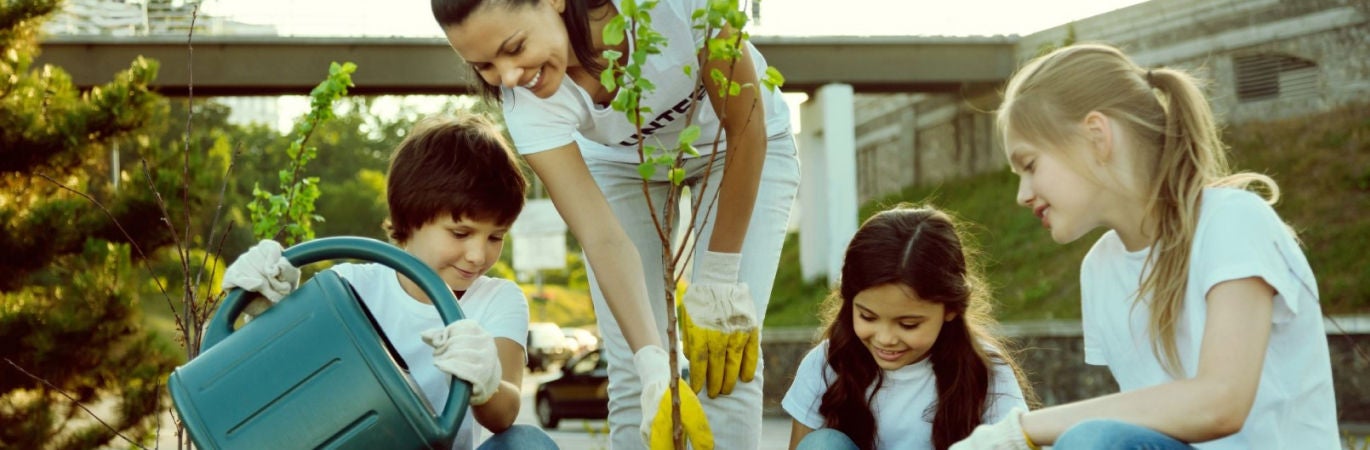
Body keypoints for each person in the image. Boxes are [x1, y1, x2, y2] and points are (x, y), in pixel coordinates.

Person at [431, 0, 800, 448]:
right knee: (631, 373)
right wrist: (650, 366)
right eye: (485, 65)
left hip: (738, 147)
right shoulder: (525, 103)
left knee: (727, 357)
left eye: (514, 47)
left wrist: (720, 282)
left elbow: (744, 128)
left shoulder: (670, 7)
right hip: (620, 166)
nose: (508, 76)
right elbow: (601, 236)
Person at [953, 43, 1338, 449]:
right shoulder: (1100, 268)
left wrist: (1021, 430)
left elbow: (1220, 403)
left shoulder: (1233, 221)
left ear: (1097, 136)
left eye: (1030, 165)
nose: (1022, 194)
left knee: (1093, 441)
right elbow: (1145, 424)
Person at [221, 114, 558, 450]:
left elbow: (505, 413)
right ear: (410, 219)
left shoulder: (496, 299)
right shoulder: (348, 287)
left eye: (495, 237)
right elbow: (284, 390)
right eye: (461, 233)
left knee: (526, 443)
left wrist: (486, 382)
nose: (478, 255)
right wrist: (266, 316)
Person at [782, 206, 1035, 450]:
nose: (885, 338)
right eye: (868, 317)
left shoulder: (986, 371)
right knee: (822, 445)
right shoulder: (827, 365)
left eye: (908, 324)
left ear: (951, 309)